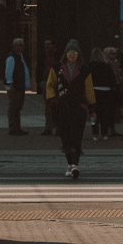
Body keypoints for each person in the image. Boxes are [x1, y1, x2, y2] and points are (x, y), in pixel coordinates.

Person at [45, 40, 95, 179]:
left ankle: (75, 165)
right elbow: (50, 85)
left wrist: (91, 107)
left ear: (78, 54)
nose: (72, 55)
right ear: (65, 54)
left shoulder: (84, 70)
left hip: (78, 107)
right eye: (70, 52)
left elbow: (89, 89)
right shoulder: (56, 69)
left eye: (75, 53)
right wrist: (52, 99)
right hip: (62, 107)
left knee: (77, 137)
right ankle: (70, 164)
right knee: (65, 136)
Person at [3, 37, 33, 136]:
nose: (23, 47)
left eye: (23, 45)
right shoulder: (12, 57)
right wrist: (10, 85)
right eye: (21, 45)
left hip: (19, 86)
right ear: (15, 46)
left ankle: (17, 127)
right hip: (15, 87)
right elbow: (8, 72)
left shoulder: (20, 57)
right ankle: (13, 127)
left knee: (17, 107)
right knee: (13, 107)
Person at [88, 47, 118, 139]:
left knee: (93, 113)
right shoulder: (106, 66)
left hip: (94, 91)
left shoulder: (90, 66)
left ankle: (95, 133)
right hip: (106, 91)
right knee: (105, 113)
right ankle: (104, 133)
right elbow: (113, 79)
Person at [38, 38, 59, 136]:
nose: (46, 46)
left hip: (55, 83)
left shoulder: (57, 57)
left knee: (56, 104)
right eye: (45, 44)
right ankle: (49, 127)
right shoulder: (42, 57)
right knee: (48, 106)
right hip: (45, 82)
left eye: (49, 44)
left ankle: (57, 126)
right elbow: (38, 68)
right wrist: (40, 82)